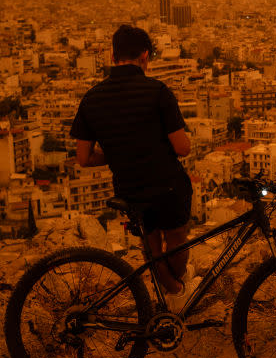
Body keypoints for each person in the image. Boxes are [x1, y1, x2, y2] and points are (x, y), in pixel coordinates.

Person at [70, 25, 195, 300]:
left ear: (113, 57)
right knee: (175, 240)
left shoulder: (92, 98)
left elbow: (83, 158)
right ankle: (177, 292)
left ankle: (170, 293)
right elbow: (182, 148)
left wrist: (117, 152)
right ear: (145, 56)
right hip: (167, 185)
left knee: (151, 247)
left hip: (129, 187)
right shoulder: (157, 91)